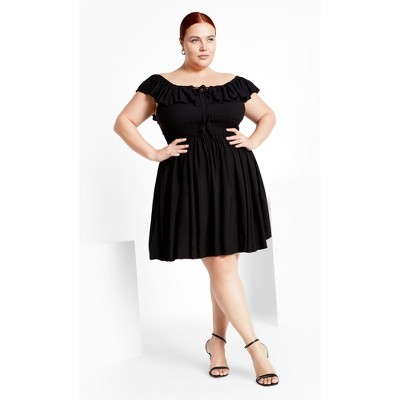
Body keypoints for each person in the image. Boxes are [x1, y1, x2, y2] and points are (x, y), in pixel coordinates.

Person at [113, 11, 279, 387]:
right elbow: (123, 122)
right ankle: (256, 348)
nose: (204, 47)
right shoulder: (160, 85)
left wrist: (253, 140)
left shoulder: (234, 83)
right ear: (182, 43)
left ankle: (217, 343)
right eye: (195, 40)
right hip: (189, 182)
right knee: (220, 265)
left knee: (225, 267)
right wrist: (155, 153)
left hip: (235, 178)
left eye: (210, 39)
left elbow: (267, 115)